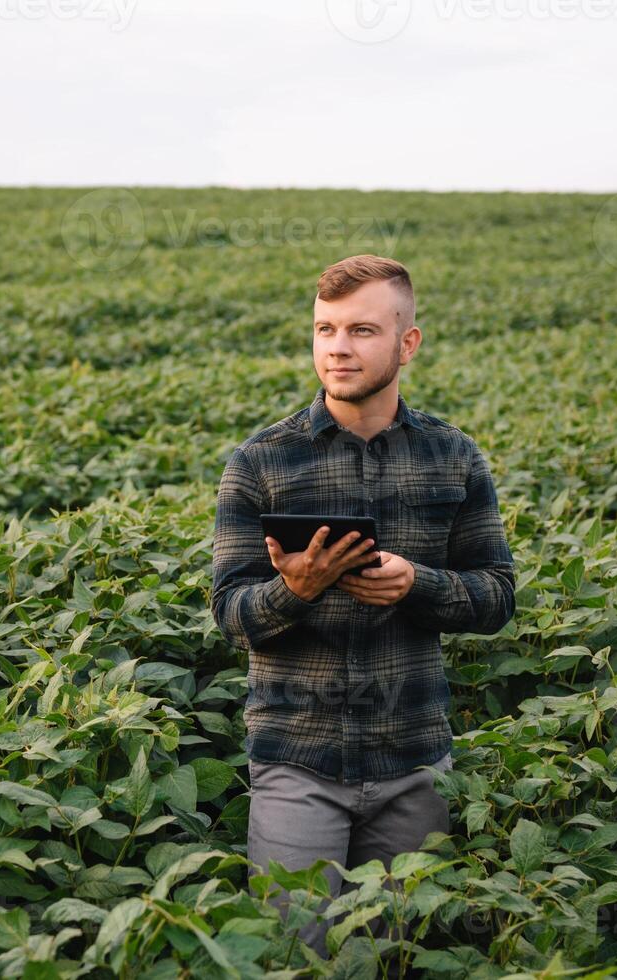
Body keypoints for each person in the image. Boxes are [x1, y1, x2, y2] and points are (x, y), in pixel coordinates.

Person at [210, 254, 516, 955]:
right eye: (325, 329)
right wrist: (297, 590)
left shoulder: (454, 457)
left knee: (397, 956)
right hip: (297, 762)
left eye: (361, 330)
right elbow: (230, 614)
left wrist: (421, 584)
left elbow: (497, 595)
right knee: (296, 952)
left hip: (413, 761)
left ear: (407, 343)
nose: (338, 348)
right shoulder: (260, 462)